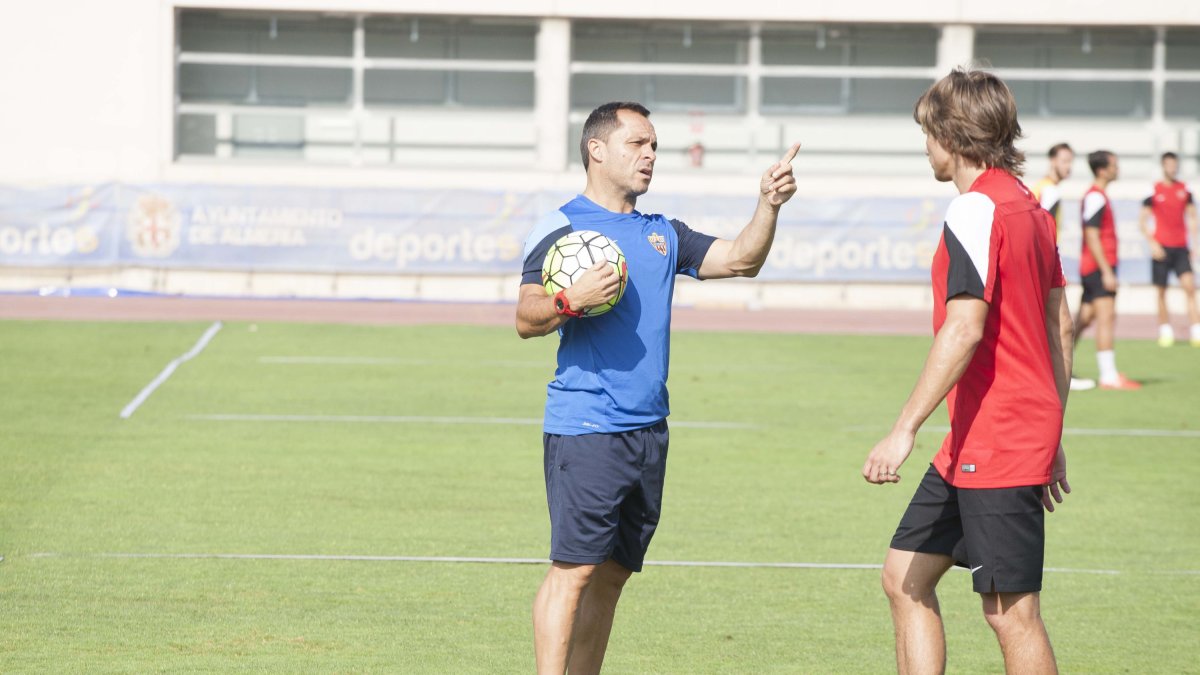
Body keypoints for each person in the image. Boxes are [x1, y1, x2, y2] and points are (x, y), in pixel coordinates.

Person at [516, 101, 800, 675]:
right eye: (637, 144)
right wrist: (570, 301)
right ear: (597, 149)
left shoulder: (662, 233)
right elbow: (526, 318)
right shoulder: (561, 227)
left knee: (614, 574)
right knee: (573, 570)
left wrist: (767, 205)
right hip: (588, 427)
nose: (649, 156)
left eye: (654, 147)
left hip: (649, 432)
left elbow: (742, 259)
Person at [862, 67, 1073, 675]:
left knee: (1012, 613)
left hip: (1000, 439)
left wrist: (903, 429)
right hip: (978, 440)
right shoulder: (1030, 209)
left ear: (952, 138)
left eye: (929, 133)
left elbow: (964, 327)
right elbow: (1059, 326)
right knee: (904, 576)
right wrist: (1053, 432)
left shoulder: (976, 212)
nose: (925, 145)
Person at [1074, 151, 1141, 389]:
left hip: (1093, 267)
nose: (1117, 169)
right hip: (1097, 267)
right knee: (1106, 317)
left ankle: (1054, 364)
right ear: (1102, 170)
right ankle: (1108, 375)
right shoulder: (1096, 197)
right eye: (1114, 165)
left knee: (1084, 318)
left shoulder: (1098, 196)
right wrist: (1106, 270)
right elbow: (1092, 235)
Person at [1032, 143, 1095, 390]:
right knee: (1059, 324)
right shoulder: (1049, 191)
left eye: (1071, 161)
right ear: (1052, 161)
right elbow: (1042, 227)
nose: (1068, 166)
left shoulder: (1044, 188)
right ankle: (1060, 376)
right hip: (1045, 261)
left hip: (1040, 260)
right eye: (1064, 161)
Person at [1138, 151, 1200, 347]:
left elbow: (1192, 217)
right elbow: (1142, 220)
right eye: (1169, 165)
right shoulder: (1154, 190)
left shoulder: (1185, 190)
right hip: (1161, 248)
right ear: (1164, 166)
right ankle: (1165, 330)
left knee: (1189, 288)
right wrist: (1152, 243)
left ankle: (1196, 330)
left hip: (1181, 247)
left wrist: (1194, 243)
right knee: (1161, 291)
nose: (1172, 168)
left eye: (1175, 165)